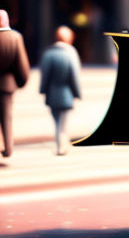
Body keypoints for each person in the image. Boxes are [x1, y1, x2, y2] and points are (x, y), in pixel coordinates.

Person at [39, 26, 81, 156]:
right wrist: (77, 93)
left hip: (52, 94)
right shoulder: (71, 53)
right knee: (63, 121)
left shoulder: (48, 53)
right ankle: (62, 145)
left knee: (57, 120)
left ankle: (61, 143)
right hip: (66, 93)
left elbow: (44, 76)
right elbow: (74, 76)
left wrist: (43, 90)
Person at [0, 9, 30, 158]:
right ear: (7, 21)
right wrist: (21, 81)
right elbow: (22, 64)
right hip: (7, 85)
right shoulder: (15, 37)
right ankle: (8, 147)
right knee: (6, 117)